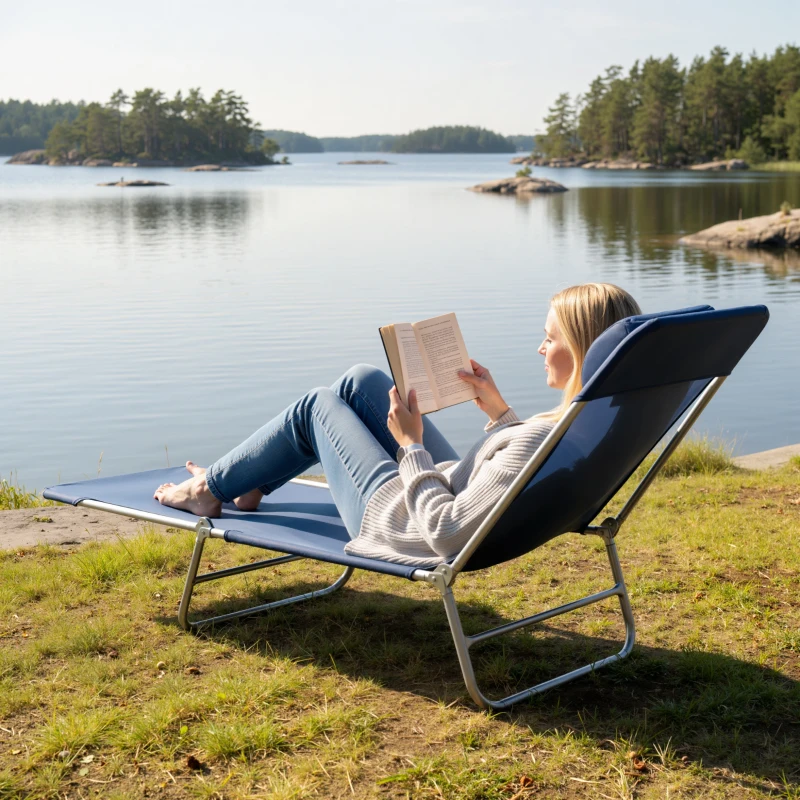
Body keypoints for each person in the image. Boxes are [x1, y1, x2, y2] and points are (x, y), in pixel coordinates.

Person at [154, 283, 641, 566]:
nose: (540, 348)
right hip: (451, 490)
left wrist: (411, 446)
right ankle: (252, 480)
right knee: (361, 380)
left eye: (549, 338)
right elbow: (515, 472)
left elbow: (448, 535)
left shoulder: (545, 437)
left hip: (403, 523)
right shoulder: (594, 423)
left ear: (581, 349)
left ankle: (209, 488)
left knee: (315, 406)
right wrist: (497, 411)